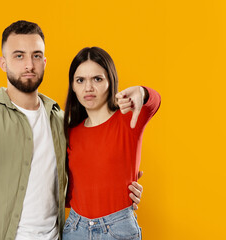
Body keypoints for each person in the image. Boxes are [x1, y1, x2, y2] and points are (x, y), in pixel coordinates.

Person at [0, 21, 143, 240]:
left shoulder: (59, 119)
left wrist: (121, 186)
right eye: (19, 56)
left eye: (36, 56)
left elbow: (80, 175)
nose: (29, 65)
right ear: (3, 63)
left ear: (44, 62)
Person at [63, 47, 161, 240]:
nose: (88, 88)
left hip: (117, 229)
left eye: (97, 79)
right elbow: (71, 192)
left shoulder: (127, 119)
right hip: (76, 228)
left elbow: (154, 102)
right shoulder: (70, 132)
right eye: (80, 80)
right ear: (73, 87)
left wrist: (142, 92)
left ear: (110, 81)